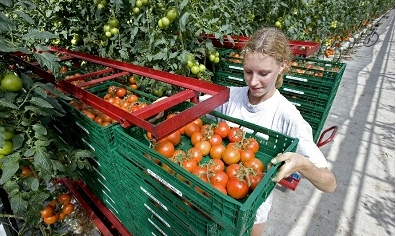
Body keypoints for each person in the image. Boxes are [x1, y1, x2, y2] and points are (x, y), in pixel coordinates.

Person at [211, 27, 337, 236]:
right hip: (215, 196)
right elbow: (194, 110)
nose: (253, 81)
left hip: (253, 212)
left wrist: (303, 164)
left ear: (282, 66)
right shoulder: (231, 96)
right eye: (248, 71)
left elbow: (329, 184)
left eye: (263, 73)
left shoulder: (288, 117)